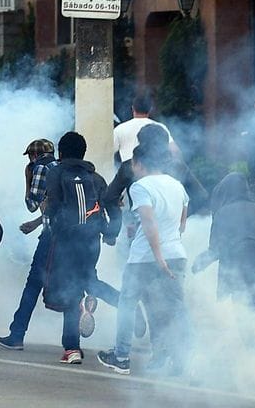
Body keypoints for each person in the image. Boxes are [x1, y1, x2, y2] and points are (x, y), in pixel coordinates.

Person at [98, 144, 190, 376]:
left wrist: (158, 257)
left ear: (139, 163)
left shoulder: (140, 186)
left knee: (127, 305)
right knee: (174, 309)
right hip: (177, 254)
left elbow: (149, 223)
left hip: (144, 259)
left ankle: (121, 357)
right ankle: (181, 361)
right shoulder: (177, 185)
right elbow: (181, 223)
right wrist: (168, 247)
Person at [40, 132, 114, 364]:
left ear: (60, 154)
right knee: (89, 281)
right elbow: (109, 206)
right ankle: (127, 303)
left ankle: (71, 348)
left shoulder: (56, 173)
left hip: (66, 241)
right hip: (92, 241)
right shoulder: (96, 178)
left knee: (70, 291)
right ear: (83, 152)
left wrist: (48, 220)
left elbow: (52, 205)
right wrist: (111, 233)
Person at [0, 139, 58, 351]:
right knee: (80, 281)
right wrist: (35, 223)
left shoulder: (39, 168)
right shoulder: (60, 168)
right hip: (70, 236)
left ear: (33, 156)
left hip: (51, 237)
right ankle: (121, 303)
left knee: (33, 284)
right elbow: (55, 207)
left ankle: (17, 334)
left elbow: (32, 204)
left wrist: (27, 179)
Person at [192, 173, 255, 308]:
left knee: (246, 312)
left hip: (247, 270)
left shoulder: (222, 213)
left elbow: (215, 250)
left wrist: (196, 265)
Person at [112, 93, 175, 165]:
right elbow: (174, 151)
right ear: (150, 109)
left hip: (128, 171)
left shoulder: (120, 129)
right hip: (154, 170)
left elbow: (110, 153)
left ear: (133, 108)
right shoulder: (160, 127)